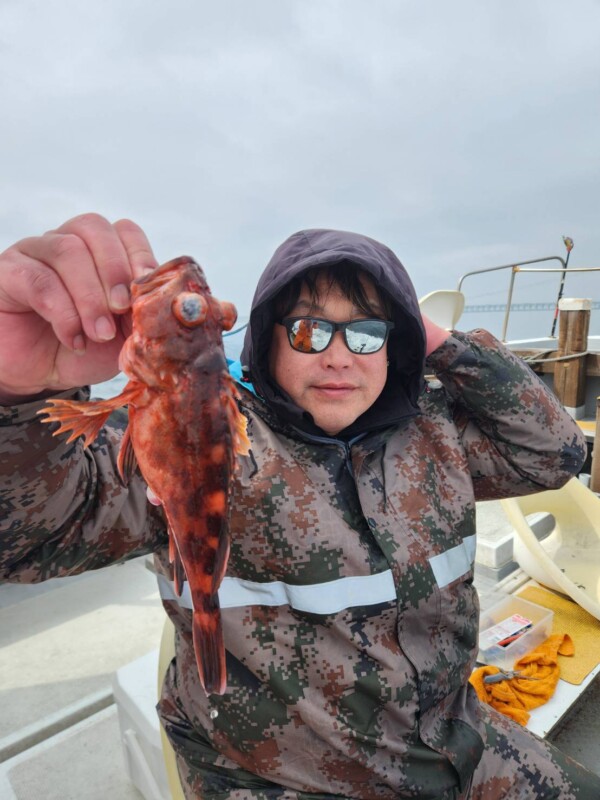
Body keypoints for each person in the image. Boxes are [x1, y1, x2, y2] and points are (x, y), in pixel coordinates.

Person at [0, 214, 598, 800]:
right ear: (266, 340)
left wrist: (439, 341)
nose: (339, 357)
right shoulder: (209, 437)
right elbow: (24, 537)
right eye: (309, 332)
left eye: (367, 333)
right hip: (280, 779)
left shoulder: (436, 434)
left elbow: (556, 453)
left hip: (456, 744)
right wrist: (15, 395)